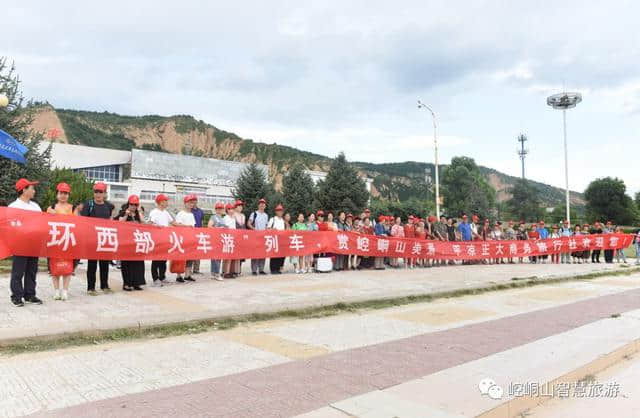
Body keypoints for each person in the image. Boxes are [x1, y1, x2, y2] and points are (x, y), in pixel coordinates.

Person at [8, 178, 43, 307]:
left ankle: (29, 294)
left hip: (34, 244)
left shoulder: (35, 206)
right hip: (20, 244)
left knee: (32, 270)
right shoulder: (13, 207)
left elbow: (41, 223)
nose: (34, 190)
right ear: (24, 190)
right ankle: (16, 296)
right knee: (18, 271)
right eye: (31, 188)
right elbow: (10, 226)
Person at [80, 182, 115, 295]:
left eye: (101, 192)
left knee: (105, 264)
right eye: (96, 192)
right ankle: (91, 288)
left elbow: (110, 220)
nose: (98, 194)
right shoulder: (88, 205)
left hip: (105, 238)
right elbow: (83, 222)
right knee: (92, 264)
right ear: (93, 193)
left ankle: (105, 286)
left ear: (105, 193)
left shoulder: (108, 206)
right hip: (92, 240)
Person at [46, 182, 76, 300]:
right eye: (61, 193)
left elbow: (77, 224)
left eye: (66, 193)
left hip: (68, 241)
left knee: (68, 267)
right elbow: (45, 225)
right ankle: (56, 291)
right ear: (57, 194)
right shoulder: (51, 208)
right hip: (54, 241)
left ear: (68, 195)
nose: (63, 195)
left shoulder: (72, 208)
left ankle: (65, 291)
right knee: (55, 267)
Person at [115, 195, 146, 291]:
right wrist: (126, 215)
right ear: (128, 204)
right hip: (127, 242)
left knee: (138, 263)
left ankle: (137, 283)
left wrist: (140, 212)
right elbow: (119, 222)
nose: (133, 206)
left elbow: (143, 223)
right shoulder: (123, 212)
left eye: (135, 205)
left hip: (137, 242)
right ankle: (127, 284)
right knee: (127, 264)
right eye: (132, 204)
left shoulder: (138, 214)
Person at [148, 194, 176, 287]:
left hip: (165, 239)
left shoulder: (166, 212)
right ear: (161, 202)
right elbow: (149, 224)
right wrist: (157, 226)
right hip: (156, 240)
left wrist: (186, 226)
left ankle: (162, 277)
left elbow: (173, 223)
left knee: (163, 260)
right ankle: (155, 279)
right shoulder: (154, 212)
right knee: (156, 260)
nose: (167, 202)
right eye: (166, 201)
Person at [175, 195, 197, 282]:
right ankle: (178, 275)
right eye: (189, 203)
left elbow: (193, 226)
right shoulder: (181, 213)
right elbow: (177, 225)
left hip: (190, 238)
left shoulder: (191, 214)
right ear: (185, 203)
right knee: (181, 258)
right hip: (182, 238)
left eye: (192, 203)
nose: (191, 204)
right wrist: (186, 227)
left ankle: (187, 275)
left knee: (190, 257)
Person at [247, 198, 269, 275]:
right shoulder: (254, 214)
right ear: (258, 205)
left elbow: (266, 225)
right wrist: (253, 229)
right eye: (261, 203)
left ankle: (261, 269)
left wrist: (266, 232)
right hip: (255, 236)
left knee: (263, 253)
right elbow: (249, 223)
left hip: (263, 236)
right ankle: (254, 270)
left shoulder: (266, 215)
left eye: (263, 204)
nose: (262, 205)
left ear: (265, 206)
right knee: (255, 253)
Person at [207, 202, 226, 281]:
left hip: (221, 239)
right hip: (215, 239)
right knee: (216, 257)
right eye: (218, 208)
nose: (220, 210)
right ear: (216, 210)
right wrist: (218, 229)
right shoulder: (213, 217)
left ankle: (214, 273)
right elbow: (209, 226)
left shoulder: (222, 218)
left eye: (221, 208)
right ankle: (216, 274)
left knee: (217, 257)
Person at [268, 204, 286, 274]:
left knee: (280, 255)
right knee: (274, 255)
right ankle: (273, 269)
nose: (280, 212)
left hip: (281, 240)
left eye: (281, 211)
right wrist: (273, 229)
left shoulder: (283, 220)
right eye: (278, 211)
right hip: (274, 239)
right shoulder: (272, 219)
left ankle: (278, 268)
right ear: (276, 212)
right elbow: (268, 228)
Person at [221, 203, 237, 278]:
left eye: (232, 209)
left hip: (232, 238)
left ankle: (230, 271)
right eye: (229, 209)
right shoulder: (225, 218)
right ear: (227, 210)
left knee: (231, 256)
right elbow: (225, 228)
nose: (231, 210)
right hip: (226, 238)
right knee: (226, 256)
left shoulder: (233, 218)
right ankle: (225, 272)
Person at [233, 200, 247, 277]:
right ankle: (234, 270)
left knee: (241, 254)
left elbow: (244, 226)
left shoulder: (243, 216)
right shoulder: (233, 215)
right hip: (235, 237)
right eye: (238, 206)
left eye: (241, 206)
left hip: (241, 236)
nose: (240, 207)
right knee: (235, 254)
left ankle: (239, 270)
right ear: (235, 207)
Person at [190, 199, 205, 275]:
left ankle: (196, 269)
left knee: (198, 252)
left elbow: (202, 222)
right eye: (192, 202)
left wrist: (202, 231)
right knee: (191, 251)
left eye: (195, 201)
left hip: (199, 234)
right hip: (191, 233)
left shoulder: (201, 211)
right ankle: (189, 270)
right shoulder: (189, 211)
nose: (194, 203)